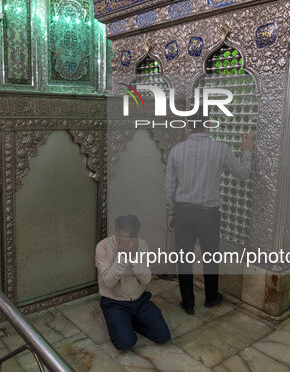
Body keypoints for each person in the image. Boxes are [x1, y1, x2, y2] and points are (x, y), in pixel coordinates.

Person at [165, 110, 255, 314]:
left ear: (188, 125)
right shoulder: (220, 149)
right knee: (210, 257)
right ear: (208, 125)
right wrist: (247, 151)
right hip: (209, 215)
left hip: (183, 212)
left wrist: (172, 212)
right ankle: (211, 298)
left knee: (184, 259)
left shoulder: (176, 151)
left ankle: (188, 303)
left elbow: (170, 186)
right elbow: (242, 174)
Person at [95, 215, 171, 350]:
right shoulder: (103, 247)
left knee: (163, 336)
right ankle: (121, 320)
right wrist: (123, 256)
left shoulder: (141, 244)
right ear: (116, 234)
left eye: (133, 237)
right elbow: (108, 283)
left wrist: (134, 257)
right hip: (114, 302)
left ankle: (131, 321)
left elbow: (146, 279)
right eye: (127, 237)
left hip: (140, 300)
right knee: (125, 343)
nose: (131, 241)